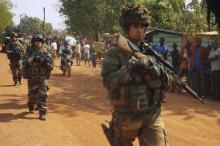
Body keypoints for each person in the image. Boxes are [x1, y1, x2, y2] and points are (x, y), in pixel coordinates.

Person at [101, 4, 174, 146]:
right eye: (135, 25)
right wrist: (130, 67)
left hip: (151, 116)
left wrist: (161, 74)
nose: (139, 30)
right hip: (125, 117)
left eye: (142, 26)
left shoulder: (151, 52)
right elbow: (108, 82)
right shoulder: (114, 52)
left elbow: (170, 84)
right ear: (127, 27)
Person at [22, 34, 53, 120]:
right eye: (36, 41)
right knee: (32, 95)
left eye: (39, 41)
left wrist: (43, 61)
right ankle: (31, 104)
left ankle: (42, 112)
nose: (37, 43)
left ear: (42, 42)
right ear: (33, 42)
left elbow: (50, 63)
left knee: (43, 95)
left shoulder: (46, 50)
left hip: (42, 77)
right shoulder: (29, 51)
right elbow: (24, 62)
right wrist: (32, 59)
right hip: (32, 77)